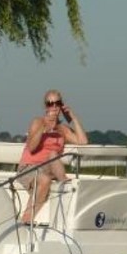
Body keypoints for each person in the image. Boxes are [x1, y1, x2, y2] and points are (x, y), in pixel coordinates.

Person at [16, 89, 88, 224]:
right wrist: (44, 127)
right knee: (45, 179)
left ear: (61, 106)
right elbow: (31, 148)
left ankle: (65, 186)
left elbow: (83, 141)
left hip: (49, 168)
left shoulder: (63, 129)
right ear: (46, 107)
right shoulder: (38, 122)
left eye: (57, 103)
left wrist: (73, 118)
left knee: (53, 155)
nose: (54, 107)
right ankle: (26, 219)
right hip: (29, 167)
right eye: (50, 103)